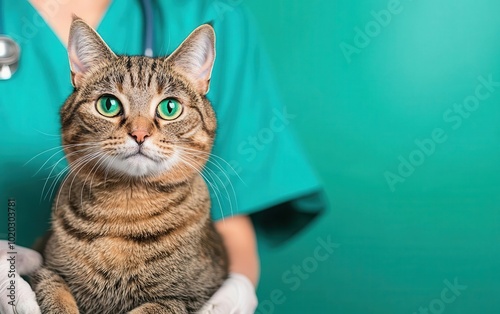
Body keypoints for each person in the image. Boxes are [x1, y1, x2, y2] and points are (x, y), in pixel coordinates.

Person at [0, 0, 325, 313]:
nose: (139, 131)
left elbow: (232, 219)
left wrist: (237, 286)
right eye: (109, 105)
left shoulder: (211, 9)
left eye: (169, 108)